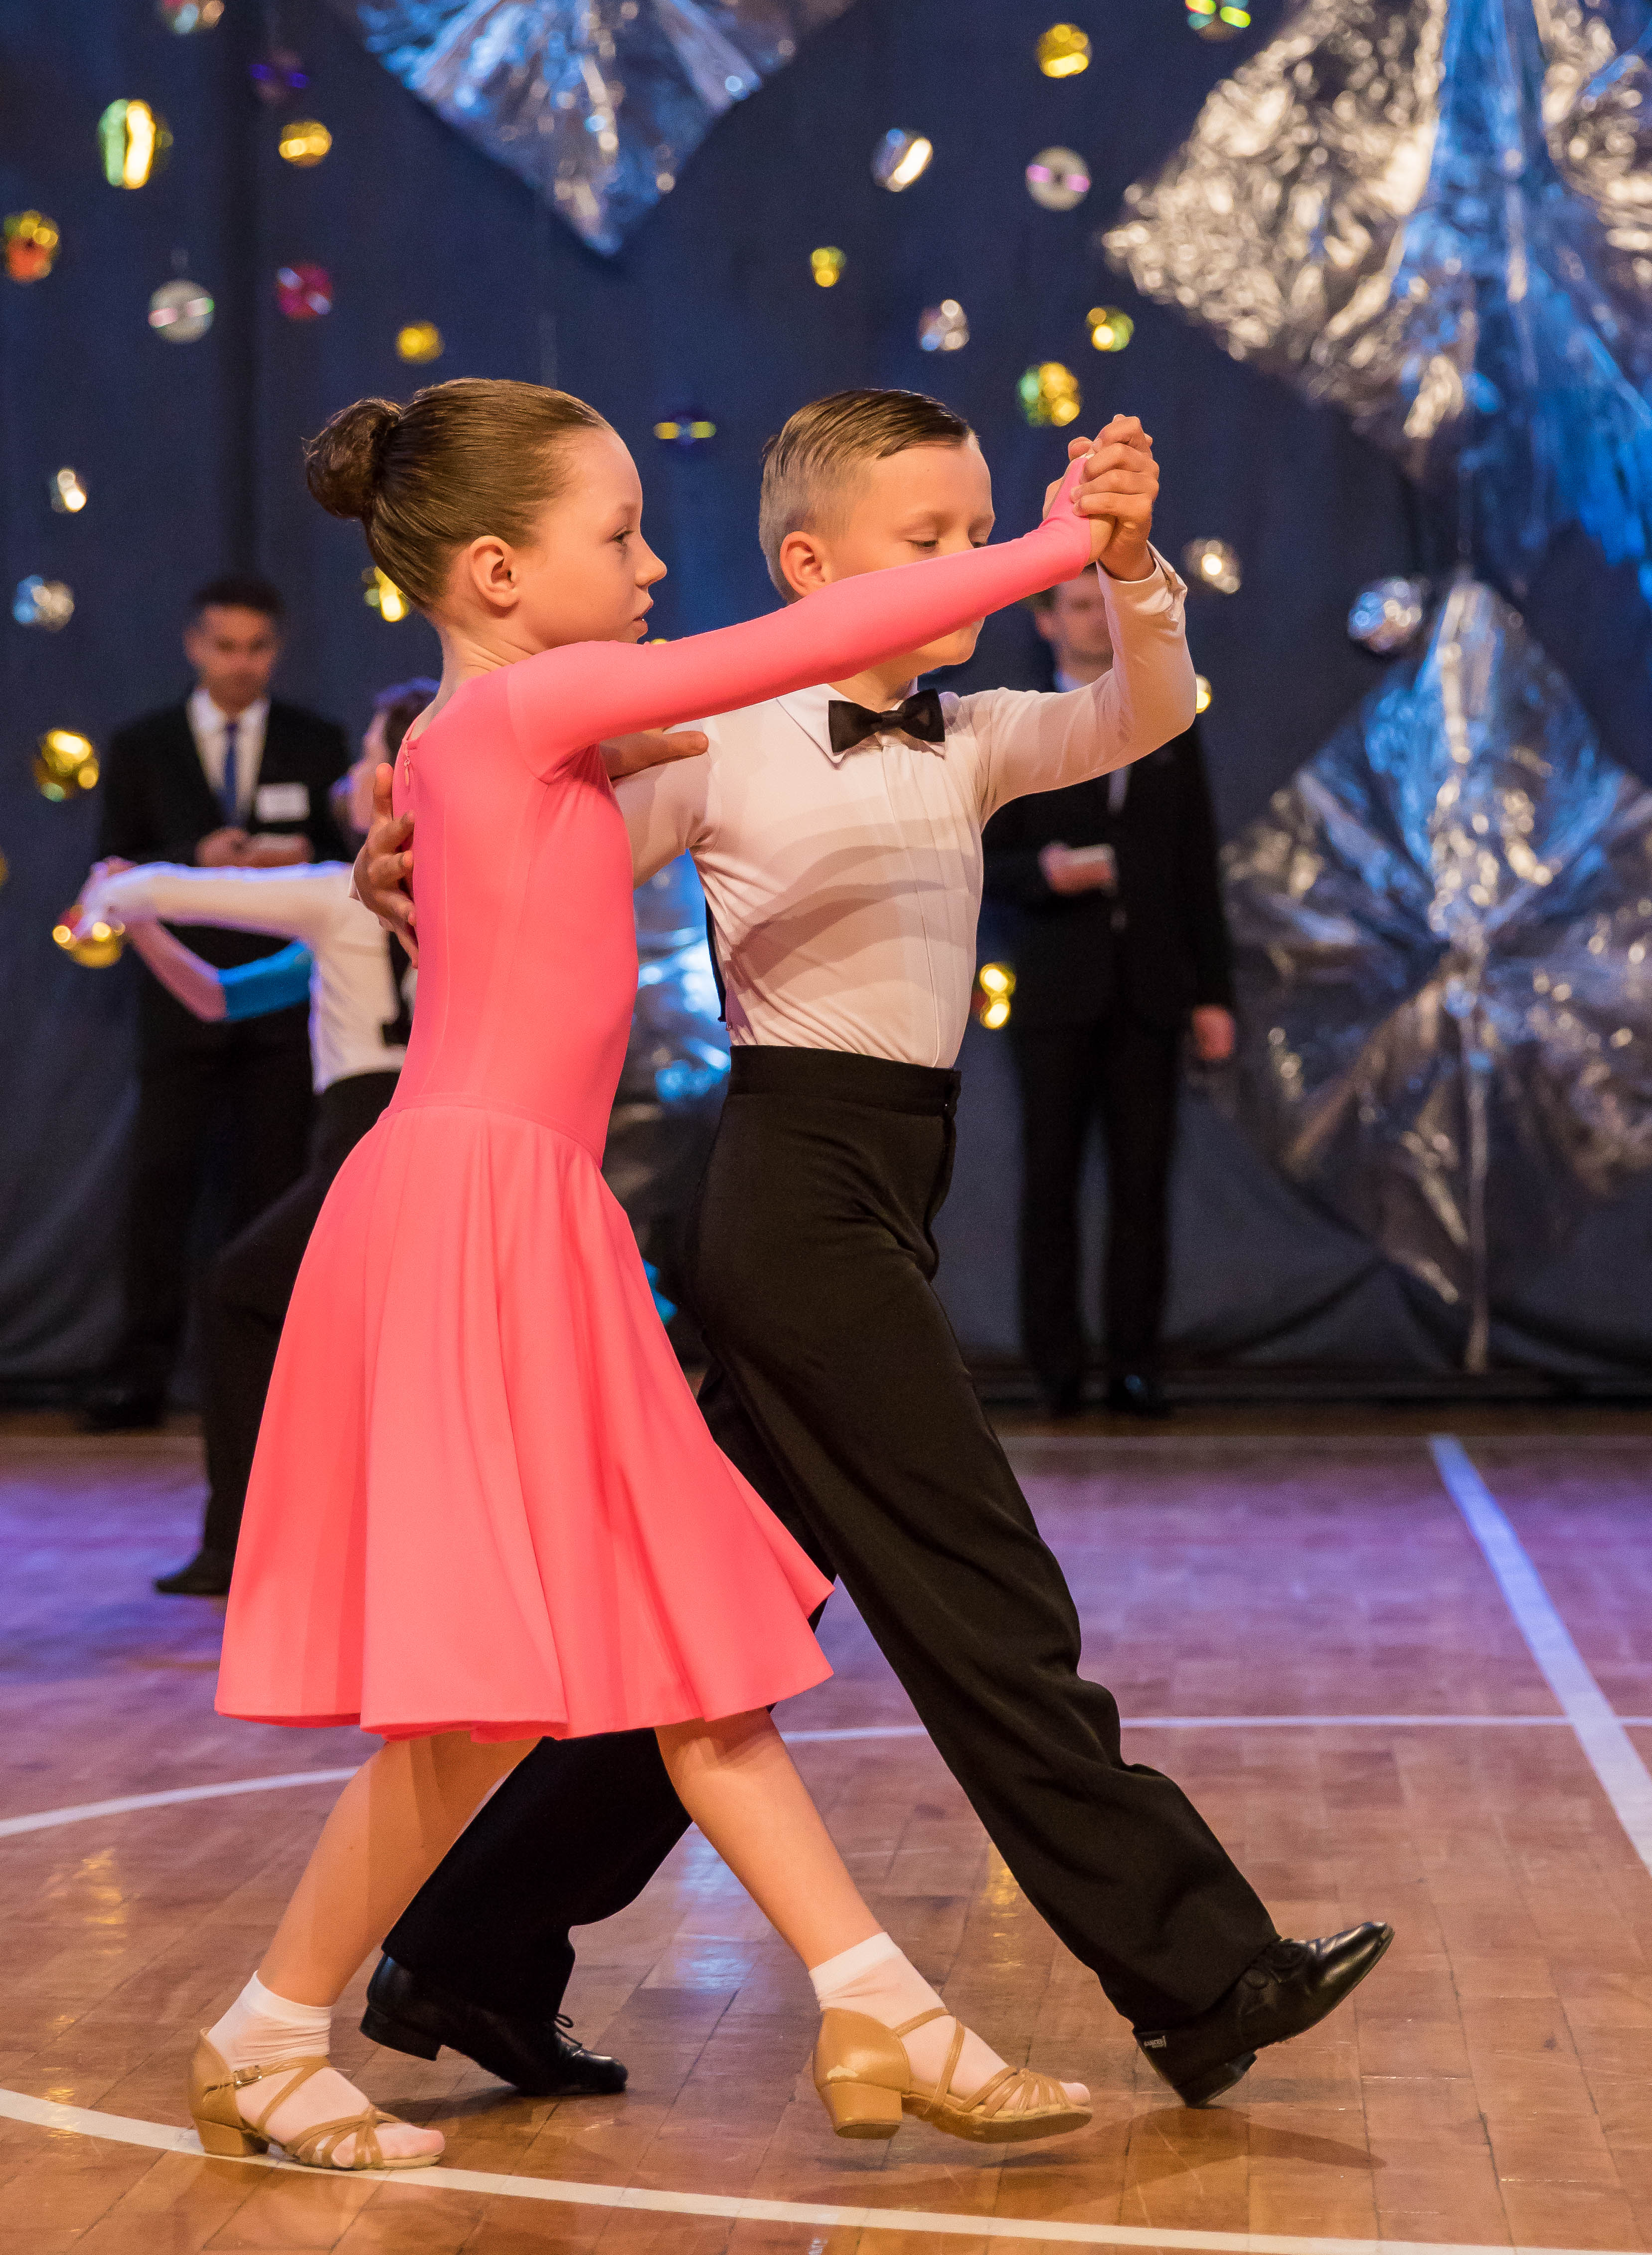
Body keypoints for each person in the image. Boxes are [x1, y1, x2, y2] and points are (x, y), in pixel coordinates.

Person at [354, 388, 1390, 2116]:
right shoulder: (717, 735)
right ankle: (1201, 1973)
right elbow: (533, 856)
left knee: (727, 1617)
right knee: (983, 1591)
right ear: (811, 567)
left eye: (982, 529)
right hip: (792, 1200)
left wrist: (1132, 569)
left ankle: (466, 1950)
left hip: (886, 1190)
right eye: (933, 538)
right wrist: (406, 857)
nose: (968, 560)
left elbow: (1147, 709)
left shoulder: (970, 734)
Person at [171, 375, 1128, 2177]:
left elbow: (701, 740)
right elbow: (810, 638)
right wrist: (1058, 543)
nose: (652, 563)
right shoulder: (523, 705)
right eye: (617, 536)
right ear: (495, 573)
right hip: (479, 1213)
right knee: (587, 1672)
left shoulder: (510, 741)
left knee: (663, 1656)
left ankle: (862, 2000)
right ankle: (289, 2029)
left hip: (518, 1214)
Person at [78, 688, 431, 1598]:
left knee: (239, 1295)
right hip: (434, 1140)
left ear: (398, 777)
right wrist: (142, 931)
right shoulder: (447, 885)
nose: (349, 772)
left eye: (365, 754)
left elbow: (181, 888)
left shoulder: (336, 891)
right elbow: (219, 998)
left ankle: (238, 1545)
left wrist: (113, 889)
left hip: (369, 1138)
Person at [85, 576, 351, 1431]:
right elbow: (115, 862)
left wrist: (294, 855)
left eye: (257, 648)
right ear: (195, 645)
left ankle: (264, 1376)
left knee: (273, 1186)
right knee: (160, 1185)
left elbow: (347, 860)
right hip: (180, 994)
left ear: (277, 649)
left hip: (282, 998)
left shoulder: (315, 740)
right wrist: (194, 857)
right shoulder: (144, 743)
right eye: (226, 646)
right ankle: (139, 1374)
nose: (241, 664)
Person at [981, 575, 1236, 1418]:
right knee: (1049, 1180)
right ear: (1046, 622)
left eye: (1106, 605)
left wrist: (1212, 993)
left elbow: (1196, 865)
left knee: (1142, 1184)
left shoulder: (1165, 719)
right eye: (1081, 606)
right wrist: (1043, 873)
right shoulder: (1020, 727)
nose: (1097, 620)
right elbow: (979, 860)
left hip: (1149, 990)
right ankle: (1055, 1366)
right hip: (1055, 988)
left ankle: (1134, 1363)